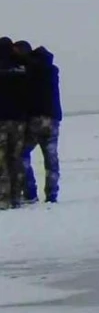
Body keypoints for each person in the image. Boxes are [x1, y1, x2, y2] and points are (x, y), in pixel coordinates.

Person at [21, 44, 62, 204]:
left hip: (35, 119)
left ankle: (30, 191)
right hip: (53, 119)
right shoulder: (52, 70)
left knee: (22, 154)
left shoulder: (31, 70)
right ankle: (52, 194)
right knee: (51, 159)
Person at [0, 38, 29, 210]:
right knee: (15, 158)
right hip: (19, 120)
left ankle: (3, 197)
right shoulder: (22, 68)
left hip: (1, 120)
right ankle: (16, 197)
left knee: (1, 160)